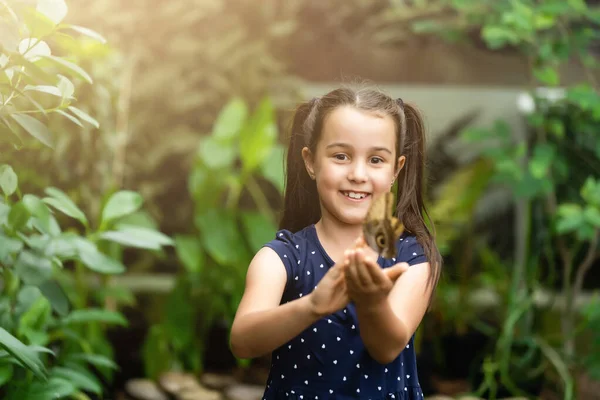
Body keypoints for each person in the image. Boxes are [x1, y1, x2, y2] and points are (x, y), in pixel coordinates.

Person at [230, 85, 442, 399]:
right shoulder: (281, 258)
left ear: (397, 169)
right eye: (340, 156)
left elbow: (387, 348)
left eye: (375, 160)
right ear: (311, 161)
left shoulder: (411, 258)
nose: (358, 174)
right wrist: (312, 306)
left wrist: (371, 304)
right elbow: (242, 341)